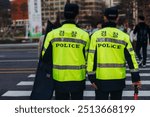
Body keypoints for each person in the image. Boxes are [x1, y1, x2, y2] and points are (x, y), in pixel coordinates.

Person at [87, 8, 141, 100]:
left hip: (100, 78)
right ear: (117, 18)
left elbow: (91, 57)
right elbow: (131, 58)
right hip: (118, 78)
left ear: (105, 18)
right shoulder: (124, 36)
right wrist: (135, 78)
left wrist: (91, 77)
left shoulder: (95, 36)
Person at [42, 3, 90, 100]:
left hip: (59, 78)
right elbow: (89, 58)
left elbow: (45, 57)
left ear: (64, 15)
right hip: (78, 78)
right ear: (77, 15)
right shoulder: (84, 35)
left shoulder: (52, 34)